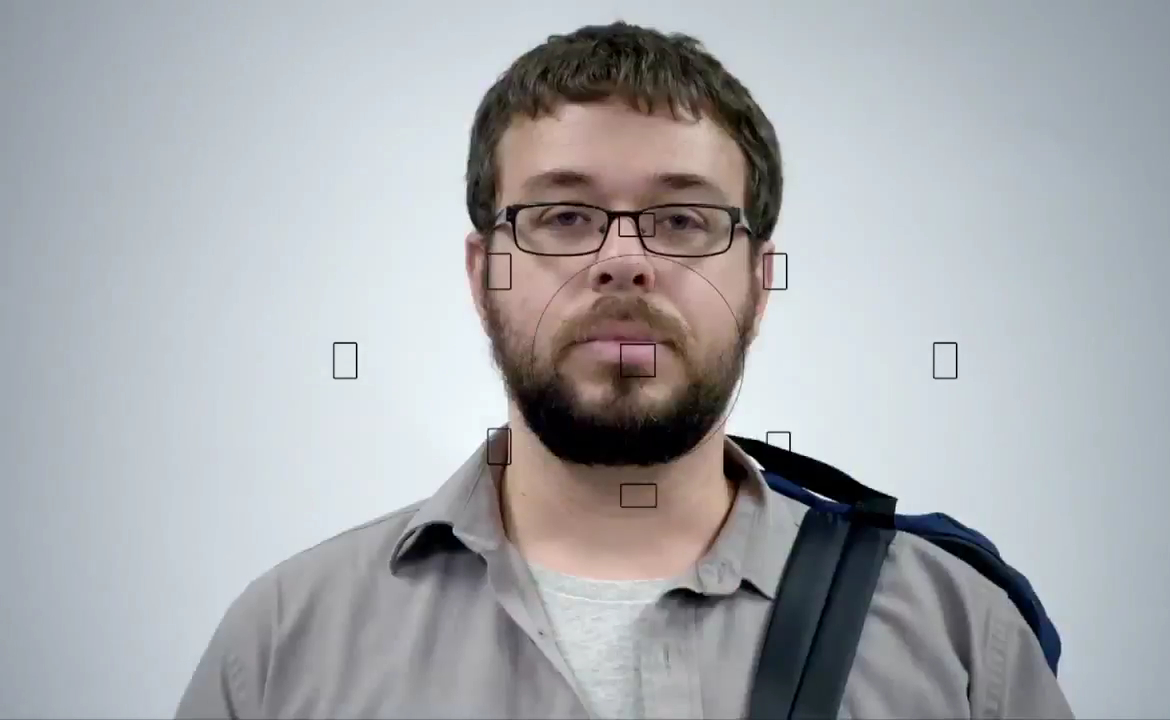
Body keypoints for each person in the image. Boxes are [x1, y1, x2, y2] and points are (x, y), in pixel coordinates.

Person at [176, 21, 1073, 719]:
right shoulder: (286, 642)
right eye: (564, 217)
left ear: (759, 283)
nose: (623, 261)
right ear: (483, 275)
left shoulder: (960, 637)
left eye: (682, 221)